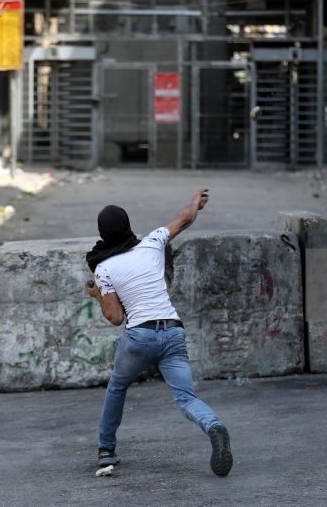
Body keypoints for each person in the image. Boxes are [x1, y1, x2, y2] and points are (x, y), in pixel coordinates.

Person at [84, 188, 233, 477]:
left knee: (117, 387)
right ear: (128, 226)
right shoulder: (152, 243)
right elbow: (183, 220)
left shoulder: (104, 268)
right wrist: (195, 203)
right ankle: (214, 426)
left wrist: (97, 295)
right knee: (186, 398)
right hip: (173, 331)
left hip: (140, 337)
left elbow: (115, 317)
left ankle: (106, 449)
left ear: (103, 234)